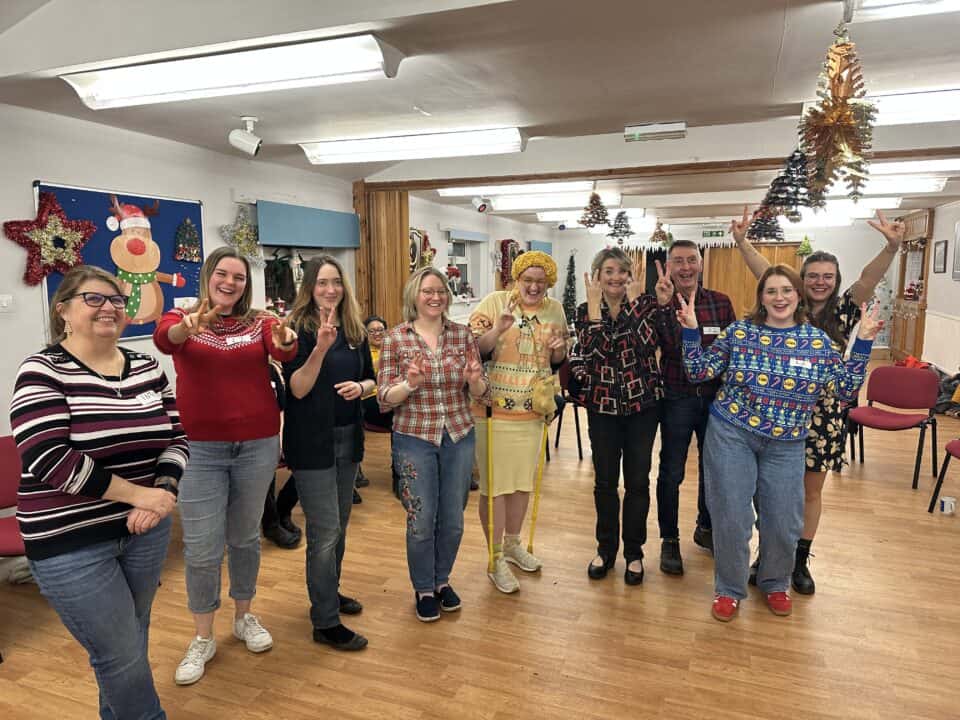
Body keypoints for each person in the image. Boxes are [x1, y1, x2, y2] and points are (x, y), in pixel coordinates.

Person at [11, 265, 187, 719]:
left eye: (115, 300)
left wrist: (164, 489)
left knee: (130, 640)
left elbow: (177, 436)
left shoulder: (147, 366)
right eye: (94, 299)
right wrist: (139, 496)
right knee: (120, 652)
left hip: (144, 531)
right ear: (64, 310)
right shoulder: (41, 370)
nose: (108, 307)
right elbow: (49, 458)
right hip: (70, 540)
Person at [679, 264, 881, 621]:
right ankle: (728, 589)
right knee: (732, 517)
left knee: (783, 521)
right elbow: (698, 371)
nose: (779, 298)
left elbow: (846, 389)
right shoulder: (739, 333)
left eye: (786, 290)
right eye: (771, 291)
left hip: (787, 443)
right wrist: (692, 332)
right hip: (732, 434)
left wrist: (862, 341)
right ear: (761, 298)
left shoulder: (817, 341)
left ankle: (775, 582)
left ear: (798, 295)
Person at [731, 207, 904, 594]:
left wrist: (891, 248)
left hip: (824, 414)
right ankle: (768, 554)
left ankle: (798, 559)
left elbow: (869, 278)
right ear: (801, 280)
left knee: (810, 491)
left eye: (828, 277)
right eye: (812, 276)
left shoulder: (846, 308)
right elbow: (764, 270)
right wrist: (742, 242)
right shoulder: (790, 304)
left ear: (836, 280)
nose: (820, 282)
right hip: (780, 408)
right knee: (772, 491)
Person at [154, 246, 298, 686]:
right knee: (201, 546)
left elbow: (282, 349)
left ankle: (244, 615)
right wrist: (188, 327)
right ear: (208, 277)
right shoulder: (181, 318)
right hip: (199, 448)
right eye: (222, 274)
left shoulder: (261, 321)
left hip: (256, 444)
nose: (230, 282)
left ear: (246, 283)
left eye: (238, 276)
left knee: (245, 538)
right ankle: (203, 637)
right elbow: (165, 341)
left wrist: (287, 340)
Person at [378, 267, 489, 622]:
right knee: (421, 520)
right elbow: (383, 398)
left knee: (453, 520)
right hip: (414, 437)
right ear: (415, 295)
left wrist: (474, 382)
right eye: (428, 291)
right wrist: (409, 384)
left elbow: (481, 392)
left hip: (458, 434)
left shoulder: (462, 335)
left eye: (441, 291)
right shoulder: (395, 339)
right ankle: (424, 587)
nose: (435, 297)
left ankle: (442, 581)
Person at [282, 256, 373, 651]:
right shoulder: (295, 331)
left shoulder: (354, 328)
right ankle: (324, 621)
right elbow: (298, 389)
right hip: (311, 442)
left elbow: (371, 376)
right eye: (322, 283)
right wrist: (319, 349)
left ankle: (328, 593)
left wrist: (362, 387)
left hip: (348, 437)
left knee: (340, 528)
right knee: (324, 533)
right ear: (309, 288)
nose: (331, 289)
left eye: (336, 282)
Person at [569, 248, 673, 585]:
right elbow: (596, 350)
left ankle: (634, 552)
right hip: (602, 408)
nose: (615, 277)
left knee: (638, 482)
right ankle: (606, 548)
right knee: (604, 483)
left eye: (621, 271)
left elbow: (644, 345)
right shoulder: (584, 310)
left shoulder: (644, 305)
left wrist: (632, 304)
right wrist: (598, 312)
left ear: (630, 276)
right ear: (597, 275)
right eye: (608, 270)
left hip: (642, 406)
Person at [469, 251, 568, 593]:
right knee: (495, 487)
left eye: (541, 282)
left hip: (533, 411)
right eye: (528, 280)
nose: (534, 287)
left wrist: (558, 348)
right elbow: (475, 350)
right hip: (493, 411)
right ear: (517, 279)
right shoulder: (494, 302)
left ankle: (513, 544)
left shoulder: (555, 309)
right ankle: (494, 557)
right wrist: (497, 329)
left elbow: (557, 359)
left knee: (522, 483)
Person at [654, 241, 736, 574]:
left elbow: (731, 349)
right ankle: (669, 540)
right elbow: (665, 345)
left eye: (691, 260)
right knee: (671, 470)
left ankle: (706, 528)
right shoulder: (659, 303)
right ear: (670, 267)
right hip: (676, 397)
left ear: (700, 264)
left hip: (715, 399)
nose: (685, 267)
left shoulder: (720, 302)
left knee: (713, 468)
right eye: (678, 262)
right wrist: (663, 309)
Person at [359, 315, 397, 493]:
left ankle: (400, 468)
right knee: (397, 413)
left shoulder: (394, 349)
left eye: (381, 330)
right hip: (370, 398)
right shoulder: (362, 352)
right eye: (372, 331)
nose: (377, 334)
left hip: (393, 396)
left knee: (402, 414)